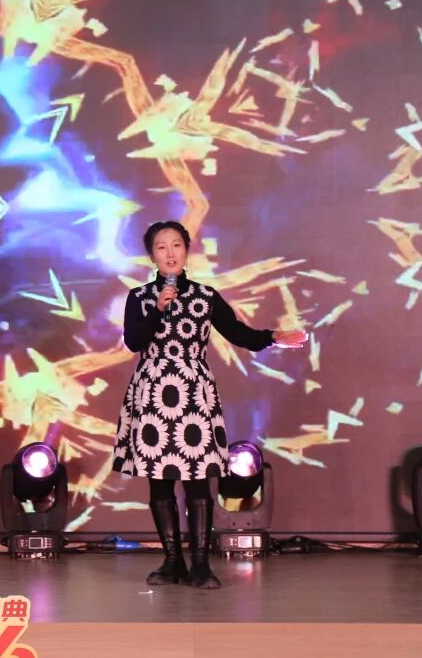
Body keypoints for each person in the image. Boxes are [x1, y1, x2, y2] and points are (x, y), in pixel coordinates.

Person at [113, 220, 306, 589]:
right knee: (160, 483)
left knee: (197, 480)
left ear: (187, 251)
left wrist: (274, 336)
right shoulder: (138, 297)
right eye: (161, 247)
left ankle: (201, 565)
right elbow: (135, 341)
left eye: (176, 245)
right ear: (151, 256)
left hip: (192, 393)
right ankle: (172, 561)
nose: (170, 253)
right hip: (152, 393)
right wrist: (157, 308)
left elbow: (239, 333)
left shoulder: (205, 296)